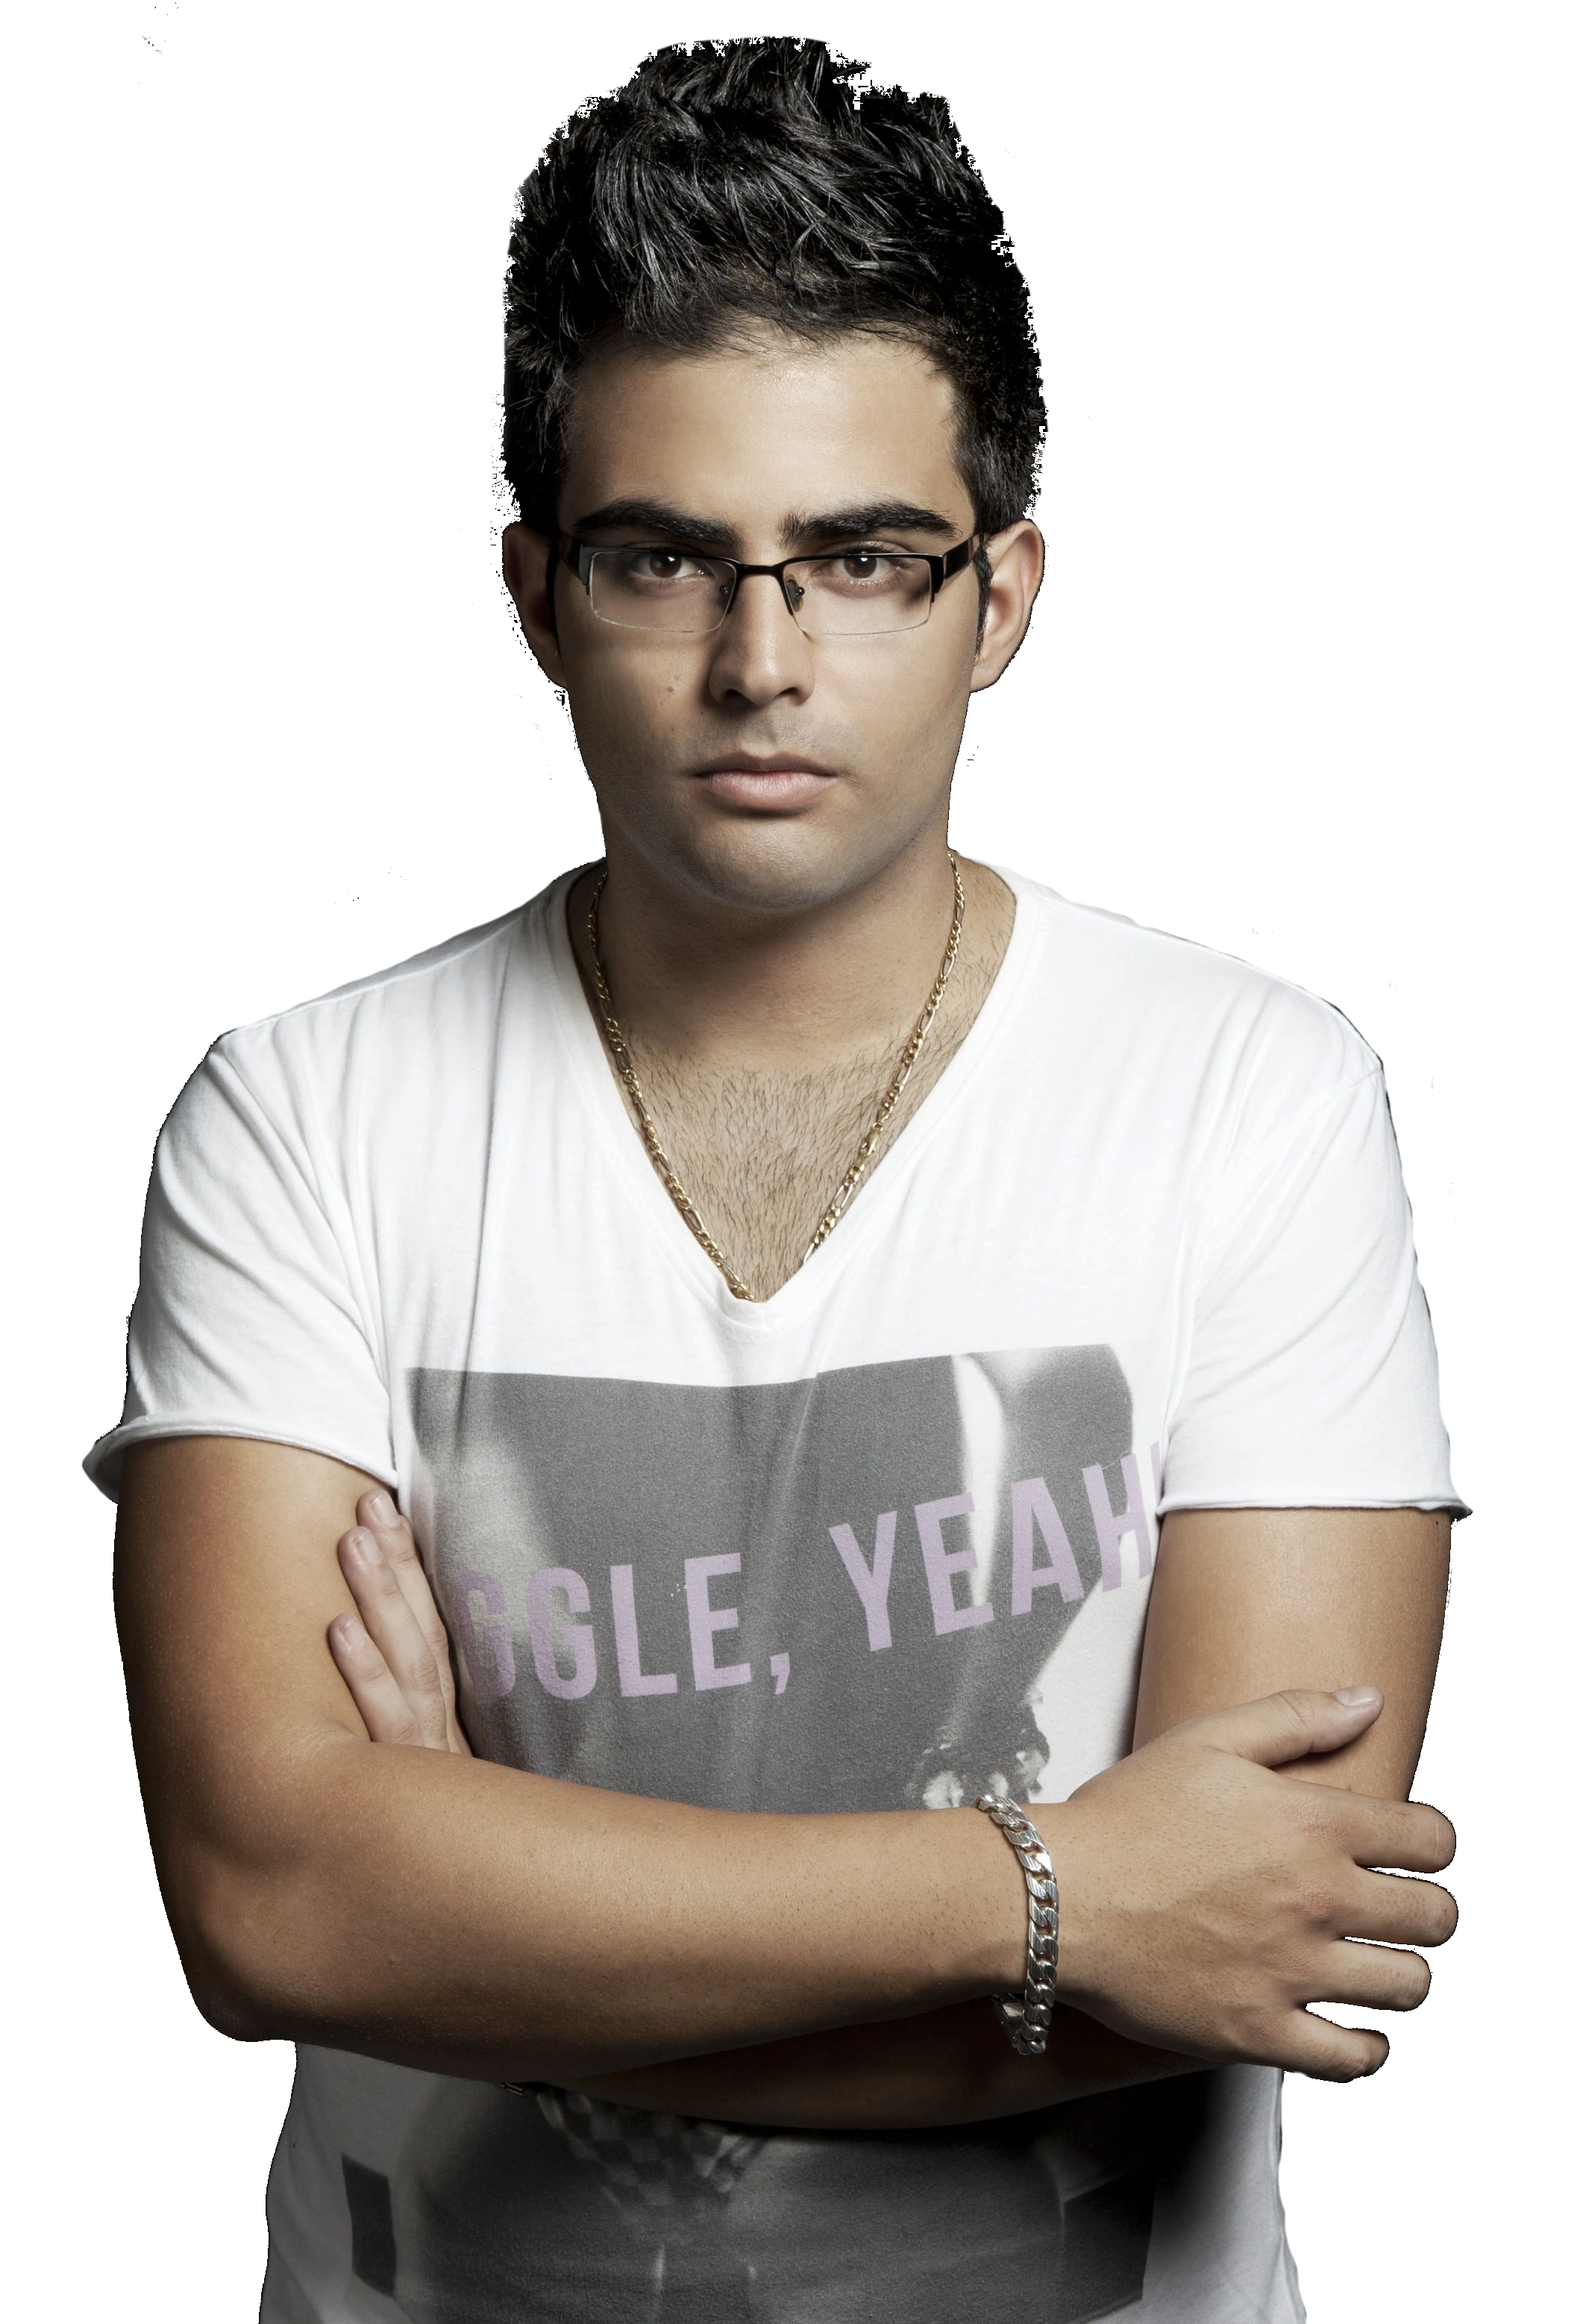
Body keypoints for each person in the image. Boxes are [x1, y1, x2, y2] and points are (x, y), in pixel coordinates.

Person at [95, 34, 1461, 2324]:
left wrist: (481, 1916)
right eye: (666, 559)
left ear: (1000, 590)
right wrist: (1058, 1895)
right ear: (535, 591)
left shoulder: (1245, 1098)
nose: (760, 662)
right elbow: (274, 1906)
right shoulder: (305, 1119)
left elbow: (1251, 1940)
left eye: (860, 560)